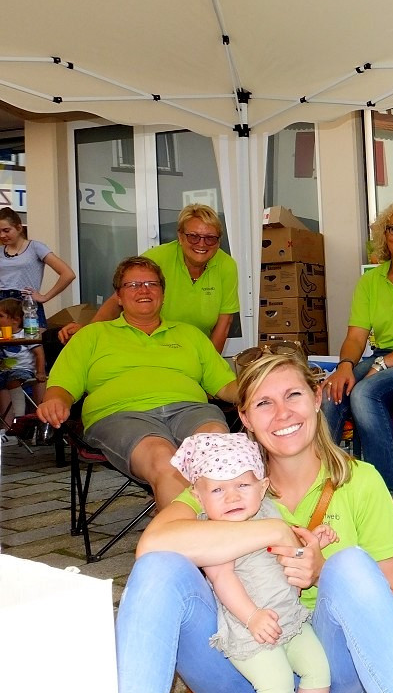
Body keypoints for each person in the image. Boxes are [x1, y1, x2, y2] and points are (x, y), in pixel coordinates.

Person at [116, 349, 393, 693]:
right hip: (238, 676)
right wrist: (273, 530)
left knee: (350, 563)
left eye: (293, 395)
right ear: (246, 417)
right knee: (158, 568)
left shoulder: (362, 481)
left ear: (317, 398)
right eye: (264, 403)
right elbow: (154, 546)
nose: (282, 414)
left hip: (326, 678)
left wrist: (321, 573)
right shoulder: (224, 481)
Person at [171, 432, 344, 693]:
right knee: (277, 687)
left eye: (242, 485)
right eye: (218, 489)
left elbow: (290, 549)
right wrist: (252, 617)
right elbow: (223, 578)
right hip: (248, 628)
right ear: (198, 496)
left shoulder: (268, 511)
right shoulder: (209, 531)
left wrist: (313, 541)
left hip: (290, 618)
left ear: (262, 487)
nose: (233, 497)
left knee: (319, 670)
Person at [36, 256, 237, 507]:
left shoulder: (190, 334)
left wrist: (259, 389)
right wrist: (55, 400)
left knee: (218, 449)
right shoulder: (92, 335)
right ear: (118, 296)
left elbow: (226, 385)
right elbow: (62, 385)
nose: (144, 290)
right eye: (133, 285)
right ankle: (185, 537)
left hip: (190, 411)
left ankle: (203, 523)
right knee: (163, 460)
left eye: (152, 284)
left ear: (163, 294)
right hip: (122, 416)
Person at [321, 202, 393, 517]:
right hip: (382, 359)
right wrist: (345, 366)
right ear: (384, 235)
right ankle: (322, 486)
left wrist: (380, 366)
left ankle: (387, 497)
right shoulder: (371, 282)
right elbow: (357, 336)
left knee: (365, 392)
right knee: (331, 393)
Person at [60, 203, 239, 352]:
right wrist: (88, 332)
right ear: (180, 236)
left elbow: (224, 325)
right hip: (148, 347)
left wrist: (211, 369)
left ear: (218, 241)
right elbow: (118, 299)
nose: (201, 244)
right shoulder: (157, 259)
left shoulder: (226, 266)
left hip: (195, 352)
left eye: (210, 238)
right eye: (193, 236)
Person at [0, 205, 76, 330]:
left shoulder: (35, 247)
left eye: (6, 230)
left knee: (33, 345)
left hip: (25, 302)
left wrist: (45, 297)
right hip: (2, 305)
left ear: (19, 228)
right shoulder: (1, 251)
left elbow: (68, 274)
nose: (2, 235)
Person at [0, 297, 46, 442]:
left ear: (15, 319)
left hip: (24, 370)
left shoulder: (26, 333)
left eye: (1, 316)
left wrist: (40, 372)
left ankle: (18, 418)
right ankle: (6, 428)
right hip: (6, 371)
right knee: (3, 382)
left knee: (13, 378)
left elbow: (39, 354)